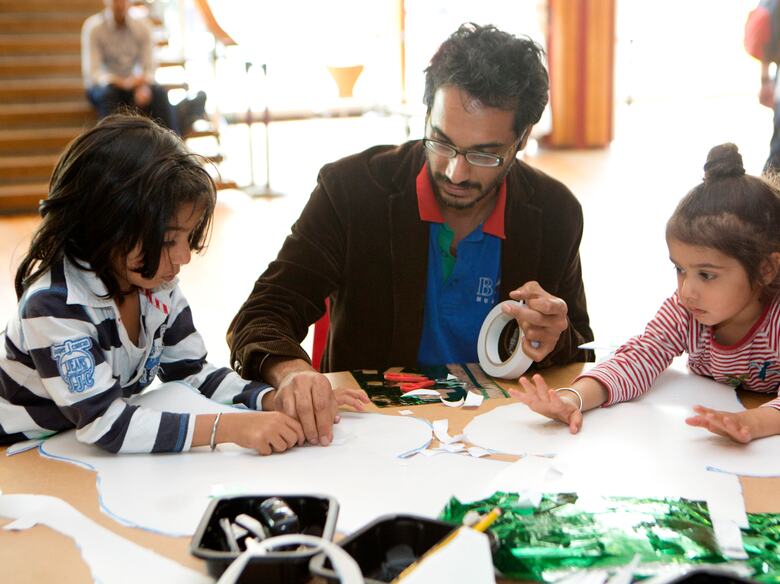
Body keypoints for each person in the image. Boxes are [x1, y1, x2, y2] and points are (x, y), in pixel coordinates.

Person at [227, 23, 594, 448]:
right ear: (426, 116)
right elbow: (261, 315)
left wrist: (552, 336)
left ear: (522, 138)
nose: (456, 172)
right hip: (370, 437)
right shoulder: (353, 192)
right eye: (441, 142)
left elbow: (579, 346)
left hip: (504, 434)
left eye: (483, 154)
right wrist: (291, 372)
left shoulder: (553, 213)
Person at [0, 114, 318, 455]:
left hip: (72, 445)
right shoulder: (52, 307)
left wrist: (269, 398)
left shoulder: (156, 284)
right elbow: (107, 425)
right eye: (168, 241)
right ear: (104, 225)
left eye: (188, 236)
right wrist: (230, 427)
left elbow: (192, 372)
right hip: (19, 453)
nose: (183, 256)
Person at [514, 143, 780, 444]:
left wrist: (751, 422)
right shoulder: (685, 312)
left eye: (706, 275)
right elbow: (639, 358)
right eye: (680, 269)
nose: (687, 290)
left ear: (765, 269)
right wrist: (573, 397)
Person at [81, 0, 179, 134]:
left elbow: (149, 67)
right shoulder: (94, 27)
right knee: (108, 95)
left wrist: (142, 84)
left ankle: (173, 145)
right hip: (107, 87)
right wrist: (119, 81)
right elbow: (94, 73)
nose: (120, 3)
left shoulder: (143, 26)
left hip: (134, 84)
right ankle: (111, 146)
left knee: (159, 93)